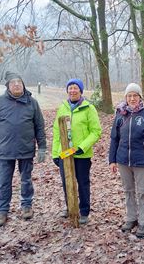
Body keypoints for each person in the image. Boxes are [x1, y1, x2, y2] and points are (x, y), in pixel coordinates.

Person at [0, 71, 47, 227]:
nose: (17, 85)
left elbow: (39, 126)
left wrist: (42, 147)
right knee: (3, 182)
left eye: (19, 82)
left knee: (26, 179)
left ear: (23, 84)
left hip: (26, 149)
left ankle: (26, 206)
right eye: (13, 83)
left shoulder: (32, 102)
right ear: (8, 86)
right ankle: (2, 210)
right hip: (5, 151)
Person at [109, 83, 144, 239]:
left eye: (135, 95)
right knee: (128, 191)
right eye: (129, 96)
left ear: (140, 97)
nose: (132, 98)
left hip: (142, 162)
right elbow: (114, 139)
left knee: (142, 193)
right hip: (123, 161)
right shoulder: (120, 114)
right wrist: (112, 160)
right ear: (126, 97)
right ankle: (131, 218)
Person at [52, 78, 101, 224]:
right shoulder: (62, 108)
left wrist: (82, 147)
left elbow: (96, 131)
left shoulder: (88, 108)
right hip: (64, 154)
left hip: (82, 154)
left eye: (75, 88)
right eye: (70, 88)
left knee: (82, 183)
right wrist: (55, 153)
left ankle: (84, 210)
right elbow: (56, 132)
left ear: (80, 91)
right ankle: (70, 207)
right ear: (67, 91)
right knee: (66, 181)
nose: (73, 91)